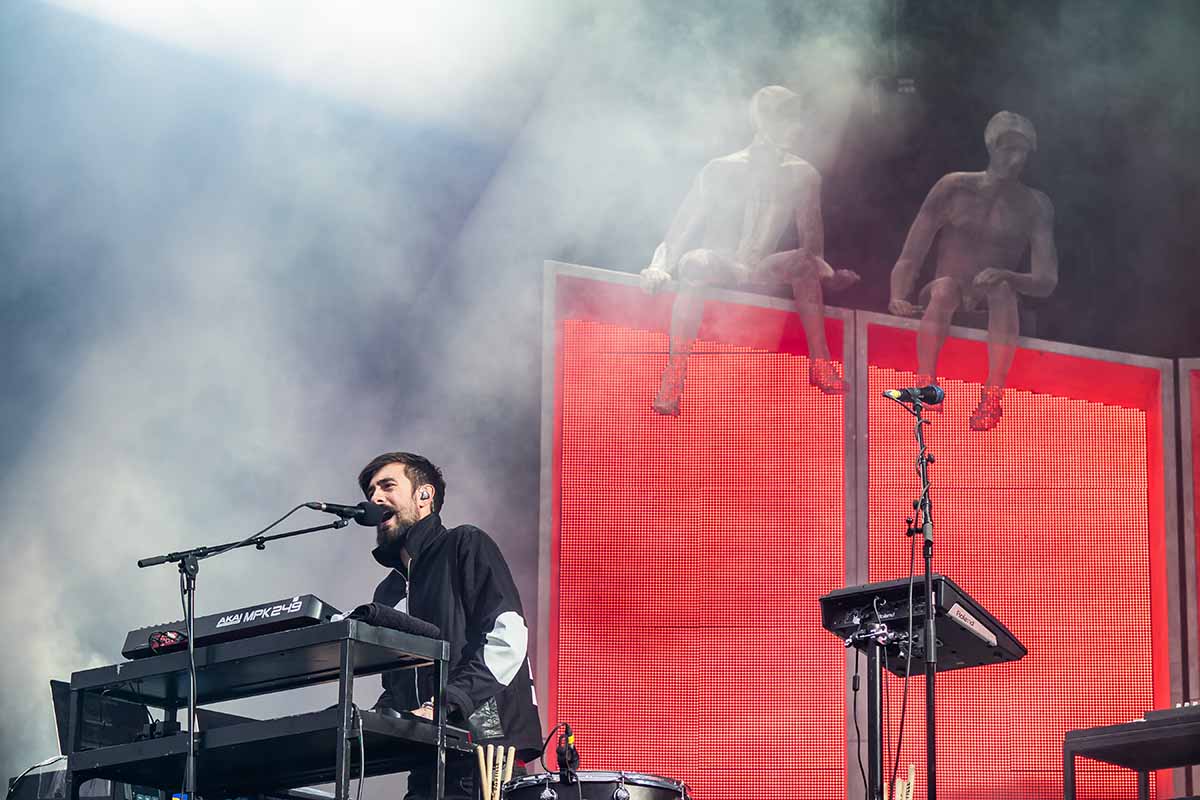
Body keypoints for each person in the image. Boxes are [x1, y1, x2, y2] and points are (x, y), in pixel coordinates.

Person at [639, 85, 859, 415]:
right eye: (784, 116)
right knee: (695, 262)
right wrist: (660, 266)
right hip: (721, 261)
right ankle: (674, 375)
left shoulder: (802, 175)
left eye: (794, 117)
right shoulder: (721, 169)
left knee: (802, 262)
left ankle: (820, 363)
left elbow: (811, 249)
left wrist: (825, 274)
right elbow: (681, 226)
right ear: (763, 120)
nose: (794, 126)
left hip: (761, 268)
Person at [359, 451, 542, 800]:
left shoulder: (464, 544)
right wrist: (377, 721)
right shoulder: (389, 590)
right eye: (371, 492)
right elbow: (395, 676)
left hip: (484, 753)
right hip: (425, 762)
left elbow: (507, 636)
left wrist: (445, 704)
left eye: (387, 486)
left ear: (424, 496)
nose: (375, 498)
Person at [888, 111, 1058, 430]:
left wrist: (1008, 275)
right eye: (1009, 149)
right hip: (942, 299)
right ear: (992, 147)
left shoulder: (1036, 205)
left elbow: (1046, 280)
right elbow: (911, 256)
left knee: (1003, 288)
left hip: (994, 308)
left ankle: (992, 396)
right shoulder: (954, 187)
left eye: (1023, 151)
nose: (1016, 159)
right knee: (946, 287)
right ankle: (927, 386)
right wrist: (897, 295)